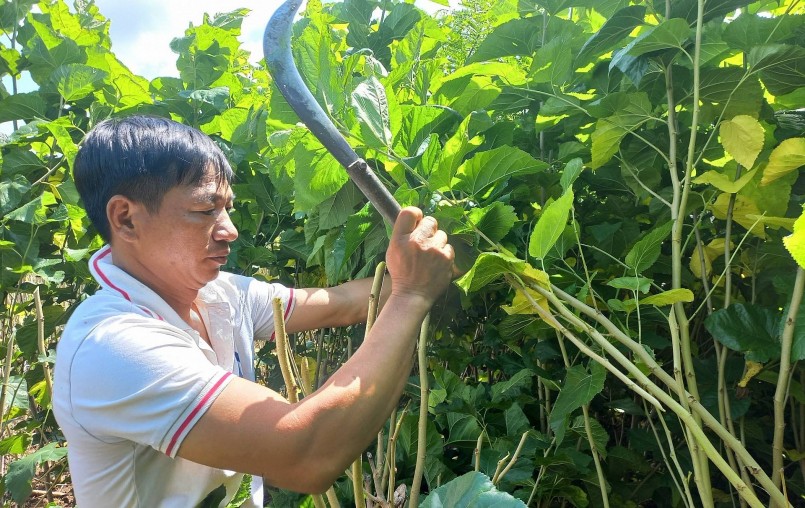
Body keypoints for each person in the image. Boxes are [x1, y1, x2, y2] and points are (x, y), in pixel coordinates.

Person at [52, 115, 455, 507]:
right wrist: (412, 296)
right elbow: (304, 456)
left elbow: (344, 303)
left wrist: (436, 268)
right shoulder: (111, 345)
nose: (229, 229)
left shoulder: (221, 294)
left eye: (226, 208)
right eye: (204, 211)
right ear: (126, 219)